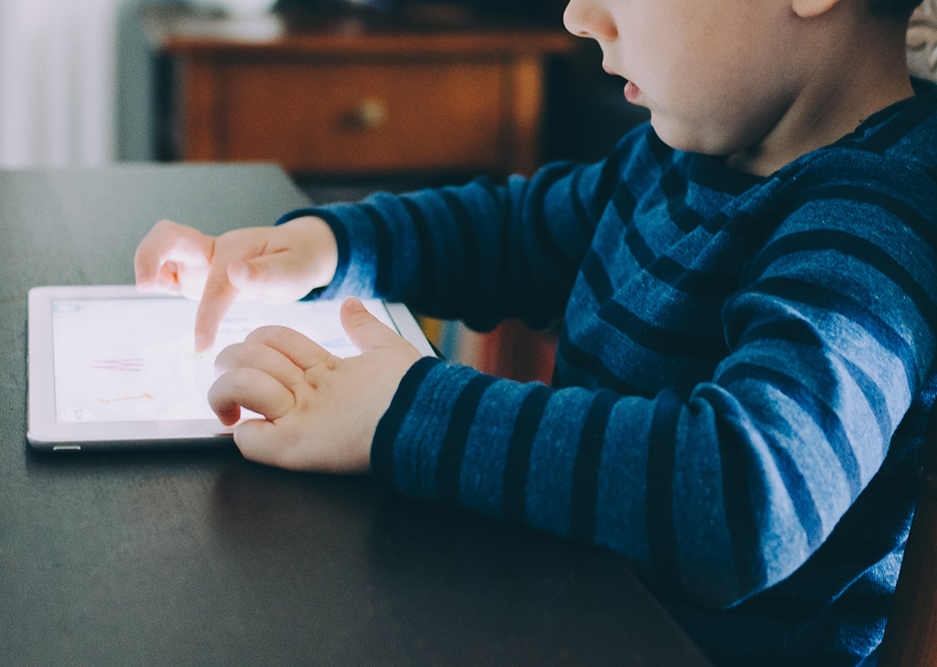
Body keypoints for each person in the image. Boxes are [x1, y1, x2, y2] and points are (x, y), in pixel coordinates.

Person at [134, 0, 937, 663]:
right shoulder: (683, 155)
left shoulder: (875, 224)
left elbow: (745, 495)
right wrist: (331, 247)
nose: (580, 16)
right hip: (568, 607)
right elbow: (516, 232)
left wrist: (401, 409)